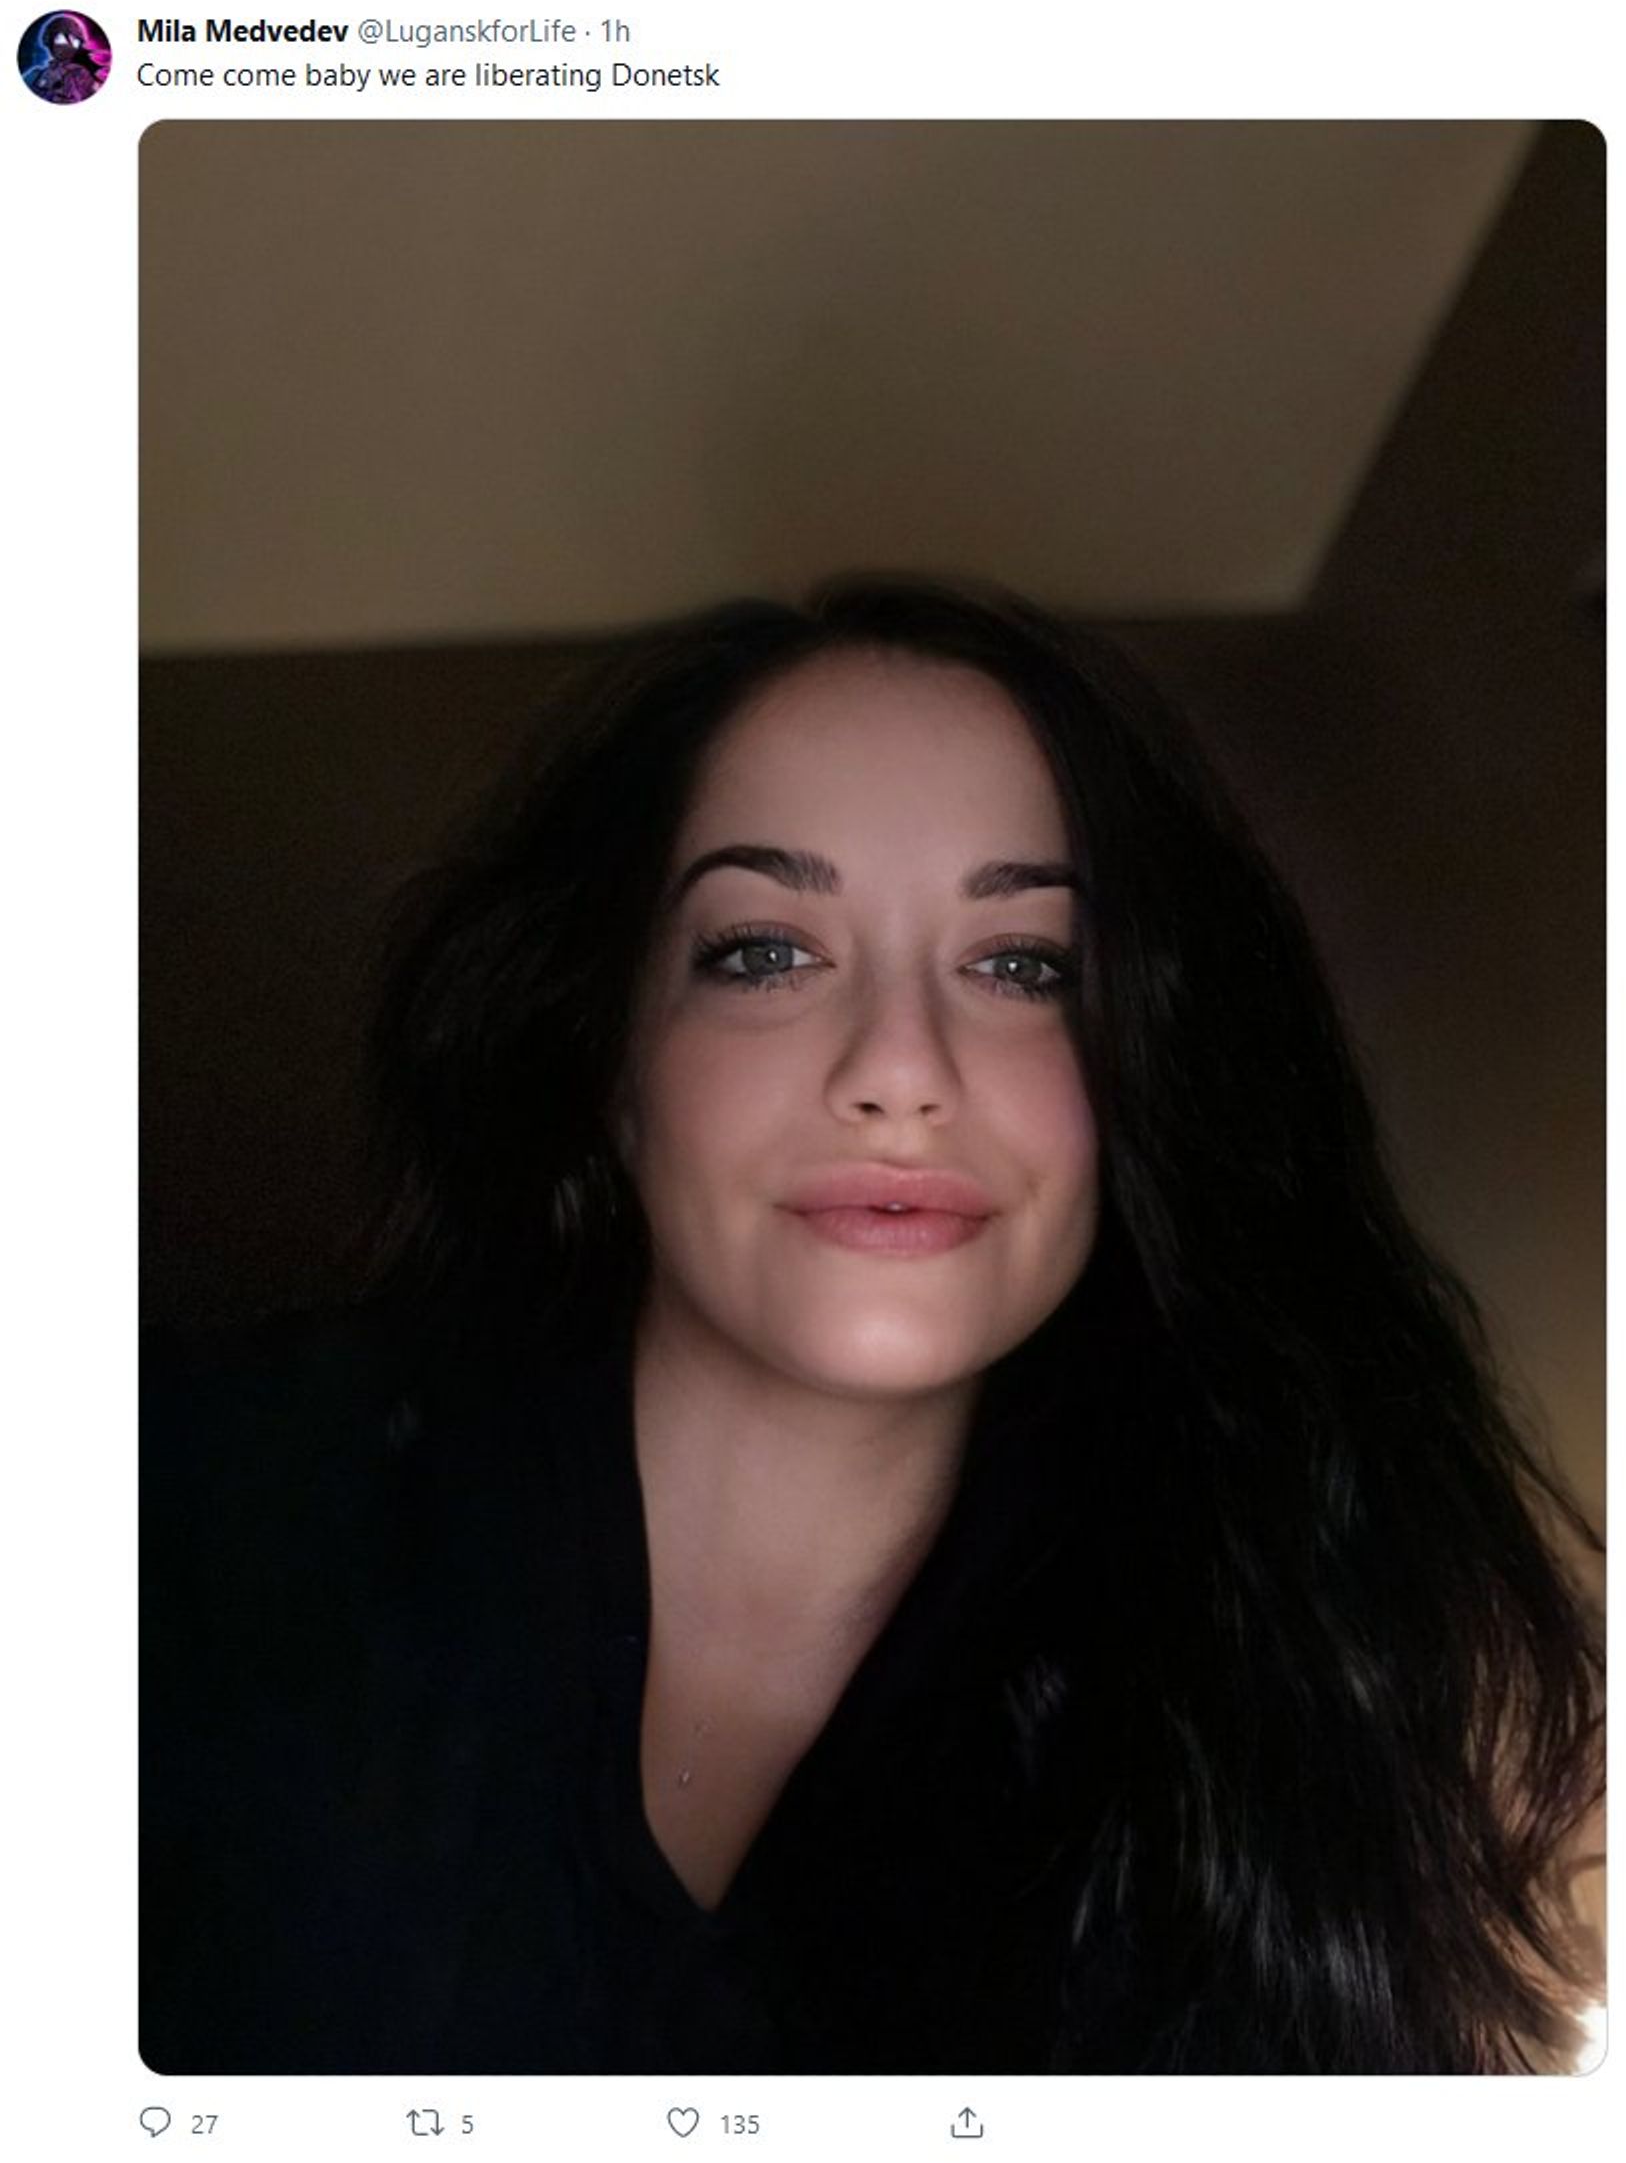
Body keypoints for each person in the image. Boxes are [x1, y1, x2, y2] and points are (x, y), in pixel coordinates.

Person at [142, 576, 1603, 2073]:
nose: (900, 1070)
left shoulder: (1272, 1730)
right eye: (764, 952)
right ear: (610, 1066)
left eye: (1022, 966)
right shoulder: (174, 1513)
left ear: (1144, 1075)